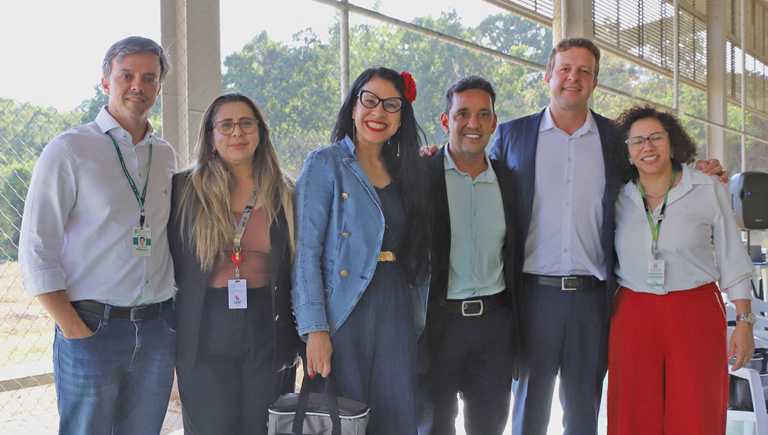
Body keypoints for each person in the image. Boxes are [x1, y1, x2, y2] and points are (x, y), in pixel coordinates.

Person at [489, 37, 726, 435]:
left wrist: (698, 170)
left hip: (592, 300)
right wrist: (434, 160)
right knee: (529, 409)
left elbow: (657, 170)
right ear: (548, 76)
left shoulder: (615, 140)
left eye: (584, 71)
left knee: (584, 412)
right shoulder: (513, 135)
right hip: (533, 297)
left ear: (595, 82)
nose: (573, 77)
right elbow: (480, 179)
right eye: (565, 69)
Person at [18, 36, 176, 434]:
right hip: (91, 328)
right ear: (106, 82)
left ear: (159, 88)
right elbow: (36, 249)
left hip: (158, 330)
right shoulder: (69, 150)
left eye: (149, 77)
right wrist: (74, 330)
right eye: (126, 75)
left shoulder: (166, 156)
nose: (138, 85)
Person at [292, 67, 431, 434]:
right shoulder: (325, 163)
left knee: (395, 416)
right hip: (343, 311)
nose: (378, 112)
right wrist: (314, 329)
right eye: (369, 100)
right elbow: (305, 253)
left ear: (401, 116)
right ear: (353, 106)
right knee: (344, 417)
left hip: (395, 307)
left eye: (391, 104)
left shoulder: (406, 171)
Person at [608, 106, 755, 435]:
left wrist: (744, 321)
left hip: (695, 310)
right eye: (637, 141)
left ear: (672, 142)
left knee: (696, 412)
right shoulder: (619, 194)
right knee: (633, 411)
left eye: (656, 138)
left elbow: (732, 255)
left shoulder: (707, 187)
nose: (648, 147)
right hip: (633, 312)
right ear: (627, 152)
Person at [168, 92, 300, 435]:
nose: (236, 132)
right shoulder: (183, 189)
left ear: (261, 133)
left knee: (264, 427)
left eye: (246, 123)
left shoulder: (287, 191)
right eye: (225, 125)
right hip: (204, 326)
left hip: (268, 323)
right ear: (210, 136)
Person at [418, 76, 519, 435]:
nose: (473, 123)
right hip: (438, 325)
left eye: (482, 114)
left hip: (494, 327)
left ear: (494, 122)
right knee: (434, 427)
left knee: (489, 427)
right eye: (462, 113)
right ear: (446, 121)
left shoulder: (509, 180)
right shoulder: (420, 176)